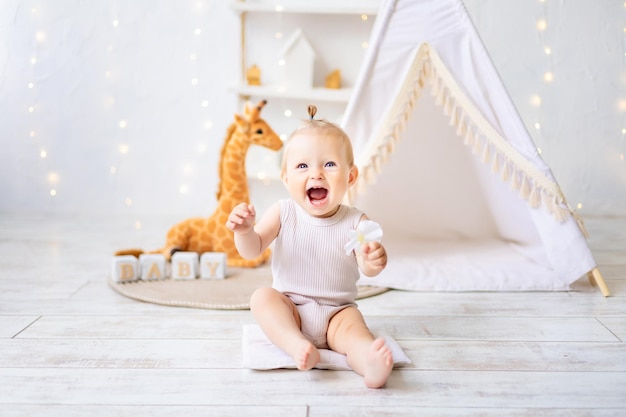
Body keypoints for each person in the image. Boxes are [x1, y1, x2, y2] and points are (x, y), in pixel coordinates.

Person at [226, 105, 393, 389]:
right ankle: (296, 345)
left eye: (329, 164)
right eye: (302, 166)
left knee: (356, 333)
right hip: (291, 308)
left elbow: (368, 265)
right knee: (262, 298)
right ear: (286, 178)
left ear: (350, 177)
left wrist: (374, 259)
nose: (316, 174)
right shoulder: (282, 212)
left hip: (338, 314)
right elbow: (252, 249)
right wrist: (244, 231)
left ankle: (369, 363)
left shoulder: (356, 221)